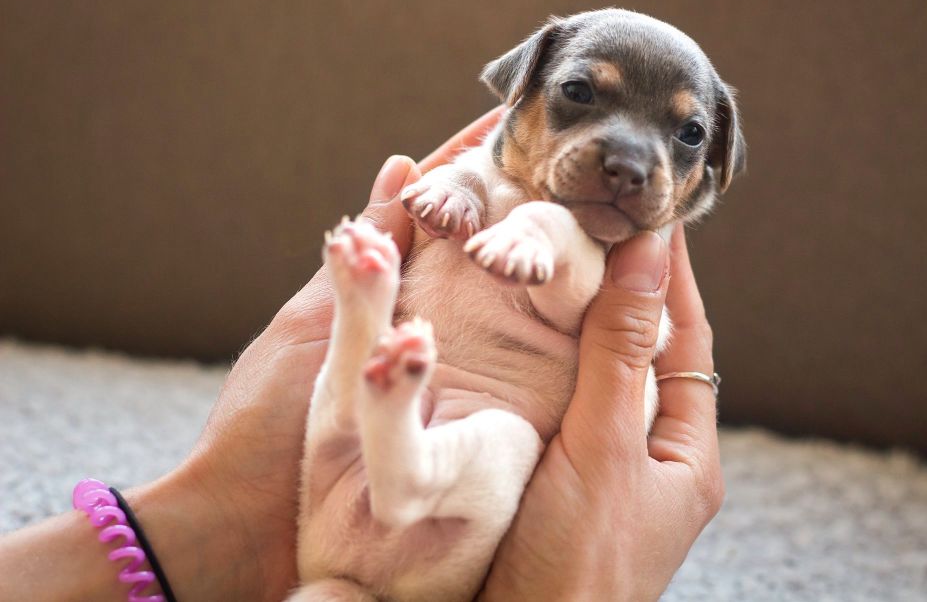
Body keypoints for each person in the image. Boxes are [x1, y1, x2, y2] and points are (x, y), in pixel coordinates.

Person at [0, 107, 723, 601]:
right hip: (332, 527)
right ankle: (366, 332)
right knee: (350, 386)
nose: (628, 158)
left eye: (687, 135)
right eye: (580, 96)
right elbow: (466, 177)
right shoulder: (495, 170)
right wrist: (458, 185)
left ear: (709, 179)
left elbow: (577, 293)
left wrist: (541, 229)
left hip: (449, 524)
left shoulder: (616, 263)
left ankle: (391, 410)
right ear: (523, 92)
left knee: (498, 437)